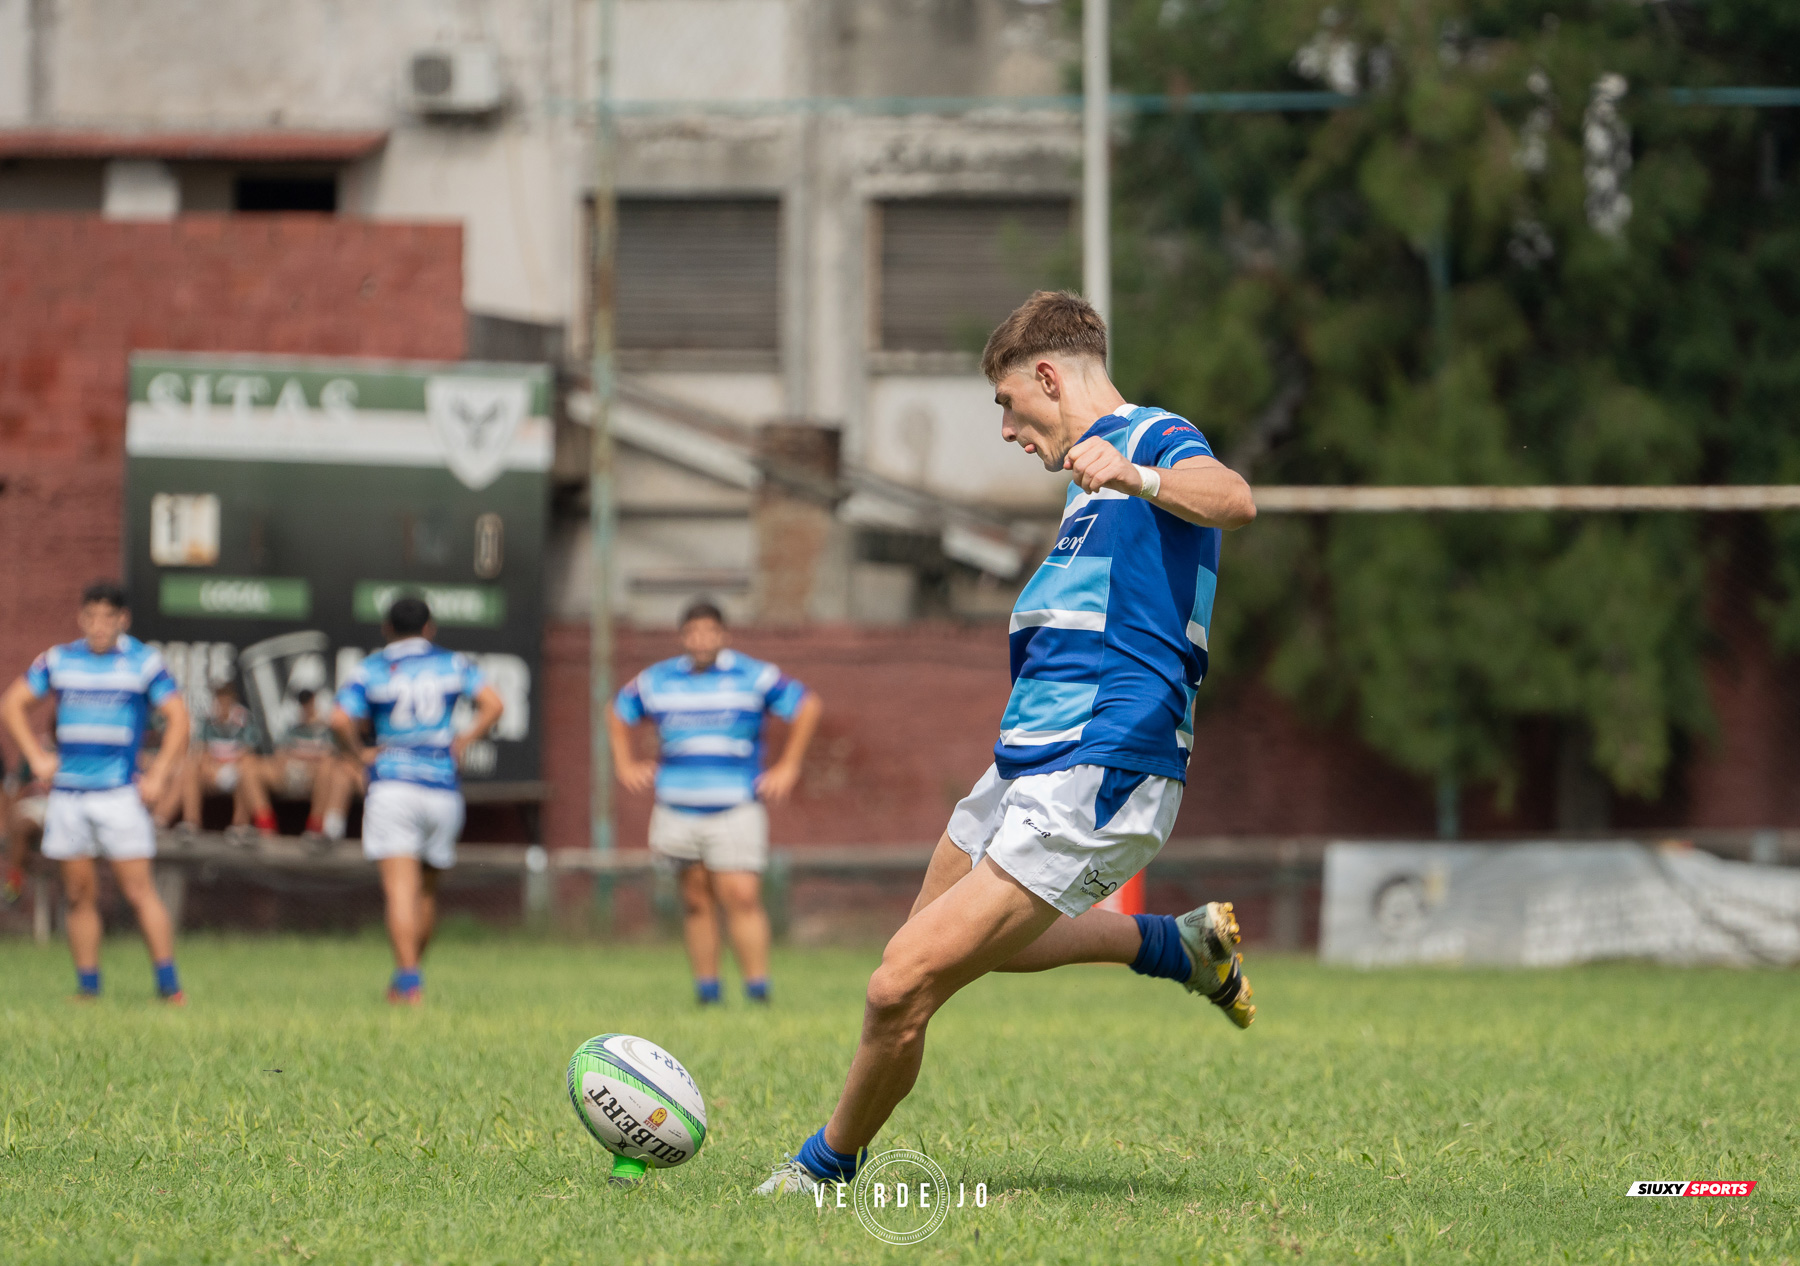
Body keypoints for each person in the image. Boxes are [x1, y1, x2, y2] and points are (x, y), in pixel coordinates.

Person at [755, 291, 1259, 1195]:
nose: (1004, 427)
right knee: (911, 966)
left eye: (1004, 403)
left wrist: (1139, 474)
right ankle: (1173, 948)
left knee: (896, 987)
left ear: (1048, 377)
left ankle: (821, 1170)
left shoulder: (1150, 437)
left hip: (1102, 760)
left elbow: (1235, 499)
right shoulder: (1084, 487)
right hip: (1025, 759)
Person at [610, 599, 822, 1006]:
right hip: (676, 807)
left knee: (741, 895)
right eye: (693, 631)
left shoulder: (753, 675)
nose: (701, 639)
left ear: (723, 635)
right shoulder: (659, 679)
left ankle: (758, 992)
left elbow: (807, 705)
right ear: (683, 636)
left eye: (709, 631)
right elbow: (618, 711)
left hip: (735, 806)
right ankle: (708, 993)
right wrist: (625, 764)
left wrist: (788, 767)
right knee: (694, 898)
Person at [0, 581, 191, 1002]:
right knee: (77, 893)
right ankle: (88, 988)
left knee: (139, 890)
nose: (99, 625)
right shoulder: (60, 660)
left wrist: (158, 774)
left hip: (119, 795)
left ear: (123, 620)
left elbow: (178, 718)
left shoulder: (143, 663)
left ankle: (169, 986)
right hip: (69, 795)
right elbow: (11, 704)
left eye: (108, 617)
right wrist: (36, 755)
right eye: (91, 617)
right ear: (81, 619)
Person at [330, 596, 503, 1004]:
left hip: (395, 786)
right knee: (426, 892)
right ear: (430, 628)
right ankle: (407, 979)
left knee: (399, 891)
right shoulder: (453, 663)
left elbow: (339, 718)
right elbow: (495, 704)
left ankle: (410, 981)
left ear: (387, 629)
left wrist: (357, 754)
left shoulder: (372, 668)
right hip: (442, 789)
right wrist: (462, 740)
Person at [181, 681, 274, 837]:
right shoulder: (208, 720)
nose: (223, 704)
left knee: (246, 771)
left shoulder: (245, 720)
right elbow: (201, 751)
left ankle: (240, 825)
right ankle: (191, 823)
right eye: (219, 699)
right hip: (213, 771)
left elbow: (248, 753)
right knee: (190, 767)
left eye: (226, 700)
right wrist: (208, 768)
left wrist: (228, 768)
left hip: (235, 771)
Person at [270, 689, 356, 841]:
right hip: (294, 773)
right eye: (303, 704)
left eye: (309, 703)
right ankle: (264, 828)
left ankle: (317, 826)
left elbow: (334, 756)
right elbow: (280, 755)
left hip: (320, 775)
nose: (306, 708)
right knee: (251, 767)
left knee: (328, 768)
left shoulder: (327, 730)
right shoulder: (293, 729)